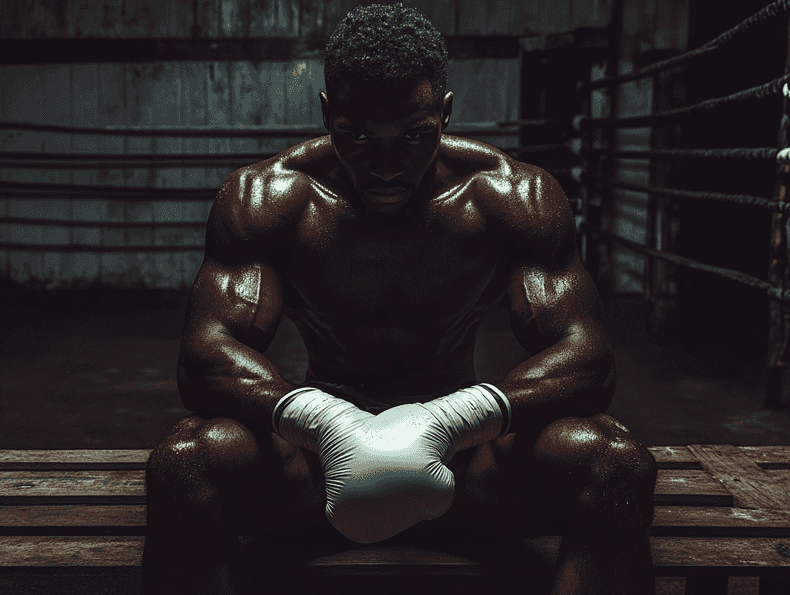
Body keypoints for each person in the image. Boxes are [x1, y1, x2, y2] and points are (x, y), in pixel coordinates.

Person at [141, 4, 657, 594]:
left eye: (414, 136)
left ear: (445, 114)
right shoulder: (270, 199)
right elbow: (205, 355)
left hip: (467, 464)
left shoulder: (511, 198)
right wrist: (328, 423)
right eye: (356, 137)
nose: (386, 166)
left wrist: (447, 422)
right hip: (317, 465)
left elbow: (587, 357)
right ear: (328, 115)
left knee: (615, 462)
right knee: (185, 461)